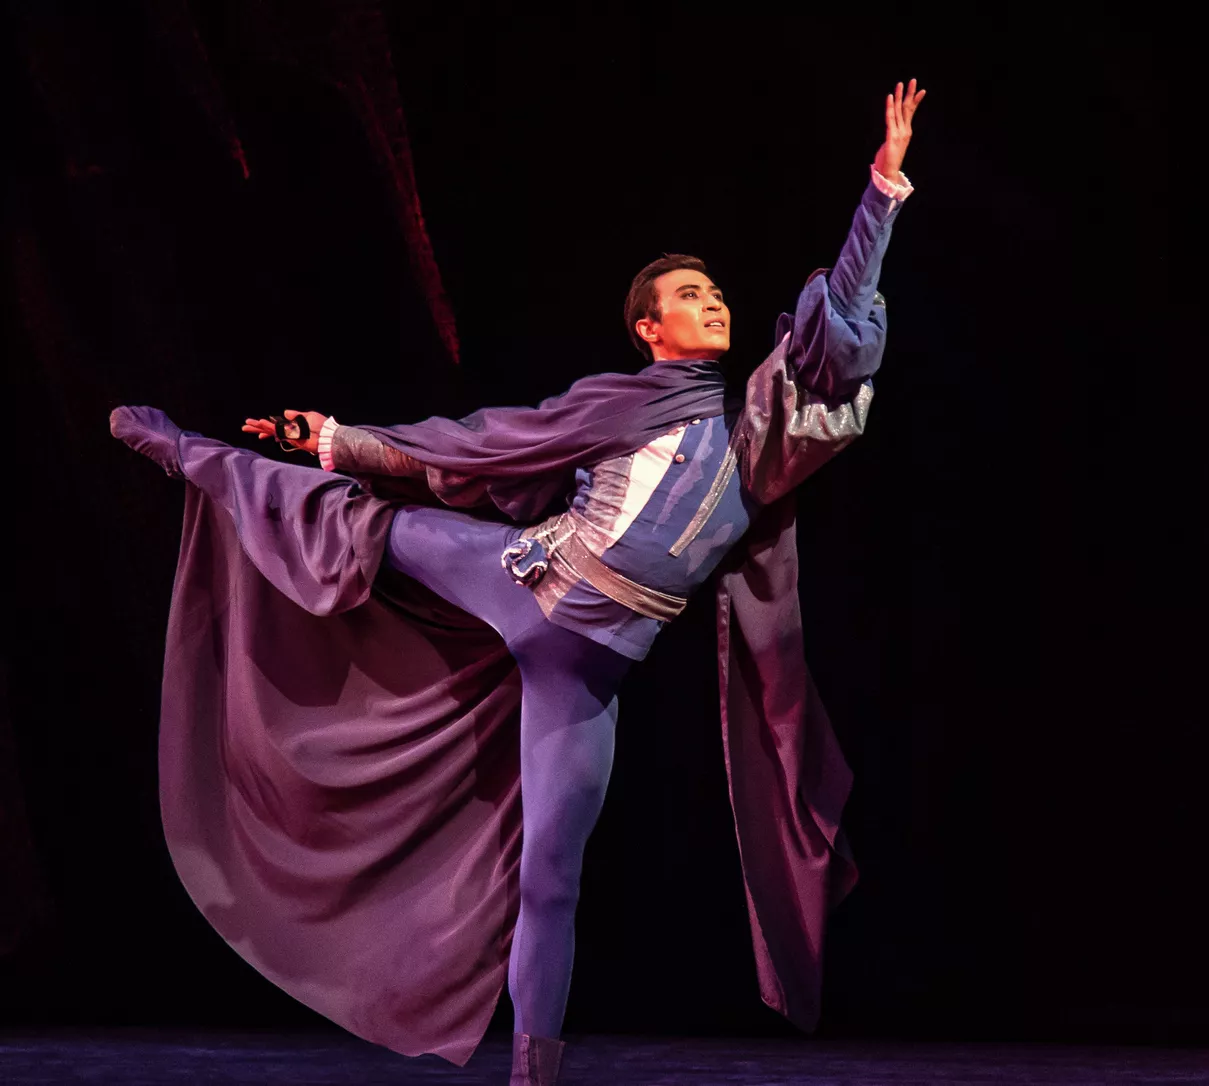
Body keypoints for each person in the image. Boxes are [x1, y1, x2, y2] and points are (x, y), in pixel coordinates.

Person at [110, 80, 926, 1086]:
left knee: (551, 880)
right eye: (688, 296)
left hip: (585, 675)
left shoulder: (761, 431)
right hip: (522, 579)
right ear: (649, 330)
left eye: (716, 292)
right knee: (366, 521)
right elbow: (486, 441)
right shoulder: (623, 403)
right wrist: (333, 437)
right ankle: (187, 453)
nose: (712, 302)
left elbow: (841, 324)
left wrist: (882, 189)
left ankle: (532, 1075)